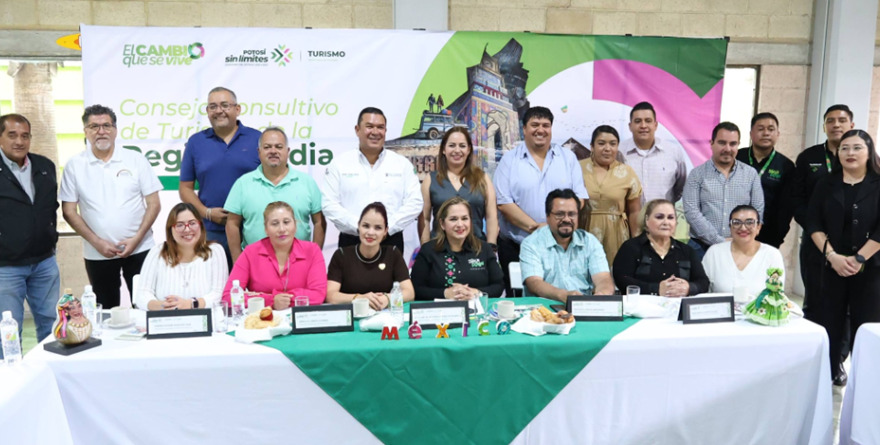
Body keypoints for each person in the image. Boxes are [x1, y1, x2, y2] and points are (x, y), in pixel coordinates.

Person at [60, 105, 163, 309]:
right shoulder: (74, 165)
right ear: (86, 132)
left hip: (140, 248)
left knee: (147, 306)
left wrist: (137, 239)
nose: (101, 131)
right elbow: (69, 212)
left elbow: (154, 204)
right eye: (94, 126)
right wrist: (97, 242)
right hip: (97, 252)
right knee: (106, 310)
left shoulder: (135, 159)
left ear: (115, 130)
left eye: (106, 125)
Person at [804, 129, 880, 386]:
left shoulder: (878, 182)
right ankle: (830, 370)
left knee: (866, 325)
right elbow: (812, 222)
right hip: (831, 265)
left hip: (871, 267)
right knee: (829, 322)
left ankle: (866, 379)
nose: (850, 153)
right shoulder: (826, 182)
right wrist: (833, 256)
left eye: (857, 147)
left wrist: (859, 259)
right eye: (845, 148)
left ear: (869, 151)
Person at [494, 106, 589, 297]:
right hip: (516, 246)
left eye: (546, 125)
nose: (540, 130)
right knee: (519, 303)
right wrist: (537, 228)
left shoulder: (568, 158)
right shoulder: (509, 160)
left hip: (560, 247)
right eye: (534, 125)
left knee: (558, 298)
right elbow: (503, 203)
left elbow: (580, 199)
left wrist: (553, 227)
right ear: (524, 129)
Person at [793, 105, 855, 369]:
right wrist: (817, 231)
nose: (836, 125)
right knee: (817, 301)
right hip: (816, 244)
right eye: (830, 120)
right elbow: (798, 201)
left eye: (842, 120)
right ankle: (813, 359)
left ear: (851, 125)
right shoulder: (809, 157)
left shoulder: (863, 156)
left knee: (848, 306)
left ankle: (838, 360)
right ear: (824, 126)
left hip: (852, 246)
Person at [179, 87, 261, 269]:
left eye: (225, 105)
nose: (219, 111)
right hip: (212, 231)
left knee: (255, 287)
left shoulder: (258, 139)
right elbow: (185, 188)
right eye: (213, 106)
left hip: (253, 229)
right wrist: (206, 212)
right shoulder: (196, 142)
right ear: (207, 112)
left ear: (237, 109)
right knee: (214, 288)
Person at [0, 113, 60, 356]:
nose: (19, 141)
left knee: (51, 326)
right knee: (9, 333)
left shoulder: (45, 166)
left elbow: (50, 208)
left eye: (25, 136)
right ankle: (8, 388)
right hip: (6, 267)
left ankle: (52, 378)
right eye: (12, 135)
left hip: (45, 263)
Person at [322, 107, 422, 252]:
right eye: (369, 126)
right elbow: (329, 204)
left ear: (385, 131)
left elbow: (415, 202)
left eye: (380, 127)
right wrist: (360, 227)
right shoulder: (339, 164)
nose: (375, 132)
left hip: (390, 241)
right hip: (351, 241)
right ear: (357, 130)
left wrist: (386, 228)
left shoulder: (402, 164)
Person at [224, 127, 325, 263]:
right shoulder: (243, 183)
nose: (273, 151)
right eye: (267, 147)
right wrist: (239, 262)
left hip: (300, 263)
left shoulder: (307, 182)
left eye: (279, 147)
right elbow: (232, 223)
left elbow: (319, 222)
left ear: (287, 151)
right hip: (255, 265)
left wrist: (314, 258)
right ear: (259, 152)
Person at [223, 201, 326, 310]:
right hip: (262, 320)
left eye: (286, 222)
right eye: (274, 223)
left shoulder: (312, 250)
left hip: (301, 319)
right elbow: (228, 297)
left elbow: (318, 295)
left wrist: (283, 300)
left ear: (295, 225)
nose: (282, 229)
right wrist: (271, 300)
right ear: (266, 229)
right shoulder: (250, 252)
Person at [683, 122, 764, 259]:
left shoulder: (751, 174)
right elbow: (691, 212)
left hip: (740, 247)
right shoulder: (697, 174)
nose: (727, 148)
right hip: (701, 248)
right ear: (712, 143)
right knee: (700, 281)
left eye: (732, 144)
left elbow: (757, 210)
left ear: (738, 145)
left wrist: (742, 239)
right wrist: (719, 241)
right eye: (722, 143)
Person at [520, 189, 614, 301]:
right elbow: (534, 283)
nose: (566, 219)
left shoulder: (589, 241)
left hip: (582, 306)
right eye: (560, 214)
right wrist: (563, 295)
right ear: (547, 217)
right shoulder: (532, 243)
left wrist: (602, 294)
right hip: (543, 308)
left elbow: (603, 278)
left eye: (572, 214)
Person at [135, 203, 229, 311]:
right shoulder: (157, 252)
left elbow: (219, 294)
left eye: (192, 223)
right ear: (171, 229)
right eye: (180, 225)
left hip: (205, 322)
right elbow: (142, 295)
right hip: (166, 320)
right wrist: (165, 306)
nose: (187, 229)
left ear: (201, 226)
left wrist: (190, 304)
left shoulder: (215, 251)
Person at [418, 126, 498, 247]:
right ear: (444, 149)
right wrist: (425, 248)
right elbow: (425, 218)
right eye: (452, 145)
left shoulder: (482, 178)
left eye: (462, 146)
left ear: (469, 150)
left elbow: (491, 216)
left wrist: (492, 247)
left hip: (476, 249)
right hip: (439, 251)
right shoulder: (430, 180)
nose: (457, 150)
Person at [411, 197, 504, 300]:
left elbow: (498, 286)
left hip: (477, 310)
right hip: (440, 312)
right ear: (442, 224)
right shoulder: (428, 250)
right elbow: (416, 289)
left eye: (464, 218)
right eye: (453, 219)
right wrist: (445, 294)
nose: (460, 224)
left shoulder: (484, 249)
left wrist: (476, 293)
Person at [326, 202, 414, 310]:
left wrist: (388, 298)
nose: (370, 232)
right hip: (351, 317)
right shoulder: (341, 255)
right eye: (366, 226)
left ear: (385, 231)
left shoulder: (393, 253)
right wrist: (360, 298)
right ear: (358, 226)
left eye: (378, 228)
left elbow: (410, 293)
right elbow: (331, 296)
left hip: (383, 316)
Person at [613, 199, 708, 296]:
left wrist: (688, 288)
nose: (666, 222)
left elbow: (703, 282)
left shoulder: (687, 251)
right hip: (642, 308)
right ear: (646, 220)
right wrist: (656, 289)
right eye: (659, 217)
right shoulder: (630, 247)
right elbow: (622, 280)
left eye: (670, 218)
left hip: (680, 308)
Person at [579, 125, 642, 266]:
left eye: (613, 144)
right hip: (585, 231)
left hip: (617, 235)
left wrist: (636, 242)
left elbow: (634, 211)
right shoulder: (577, 168)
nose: (607, 148)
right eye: (601, 143)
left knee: (616, 275)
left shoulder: (627, 172)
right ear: (591, 146)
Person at [736, 112, 795, 248]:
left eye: (771, 129)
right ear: (751, 134)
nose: (766, 133)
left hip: (768, 236)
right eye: (761, 129)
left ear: (778, 134)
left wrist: (777, 238)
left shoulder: (786, 166)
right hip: (733, 231)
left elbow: (786, 209)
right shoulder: (738, 157)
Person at [702, 205, 785, 297]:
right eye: (736, 222)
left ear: (758, 227)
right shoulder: (715, 252)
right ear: (730, 226)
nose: (743, 228)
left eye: (749, 222)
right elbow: (702, 288)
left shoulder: (772, 254)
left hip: (759, 311)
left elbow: (776, 294)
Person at [620, 101, 688, 205]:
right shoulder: (619, 152)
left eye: (648, 121)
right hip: (627, 219)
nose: (643, 125)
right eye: (638, 121)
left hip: (662, 219)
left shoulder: (673, 151)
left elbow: (680, 188)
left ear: (655, 125)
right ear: (630, 126)